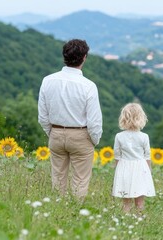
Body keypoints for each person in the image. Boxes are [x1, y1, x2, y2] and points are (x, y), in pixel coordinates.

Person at [38, 39, 102, 199]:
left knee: (57, 178)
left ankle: (57, 211)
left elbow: (42, 115)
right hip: (81, 135)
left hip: (56, 132)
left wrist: (51, 132)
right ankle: (76, 213)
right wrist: (94, 140)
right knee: (80, 180)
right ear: (84, 57)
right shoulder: (88, 86)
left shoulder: (48, 80)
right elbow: (94, 121)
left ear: (64, 56)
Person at [112, 103, 155, 212]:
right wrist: (149, 170)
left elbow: (117, 155)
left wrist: (117, 170)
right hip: (141, 168)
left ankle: (125, 222)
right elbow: (147, 156)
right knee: (140, 202)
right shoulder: (144, 137)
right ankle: (139, 222)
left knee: (126, 202)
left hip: (124, 167)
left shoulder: (119, 136)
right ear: (141, 117)